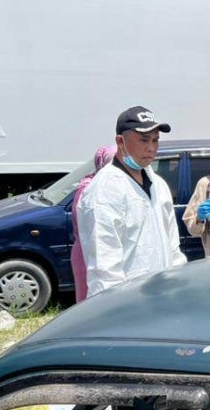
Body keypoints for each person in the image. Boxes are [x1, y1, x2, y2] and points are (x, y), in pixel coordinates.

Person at [77, 106, 186, 297]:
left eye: (155, 140)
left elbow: (172, 247)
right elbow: (104, 270)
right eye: (144, 140)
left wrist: (177, 284)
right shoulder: (104, 191)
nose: (151, 148)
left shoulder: (158, 185)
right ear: (120, 141)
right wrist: (119, 312)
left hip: (163, 297)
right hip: (129, 306)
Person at [70, 144, 116, 302]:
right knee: (89, 301)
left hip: (104, 252)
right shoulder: (87, 190)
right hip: (87, 252)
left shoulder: (112, 187)